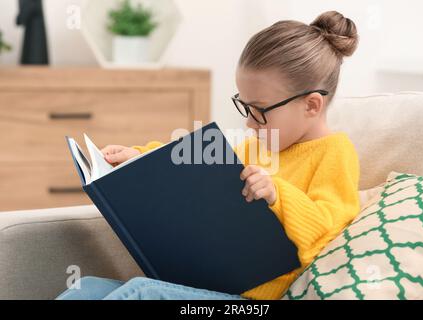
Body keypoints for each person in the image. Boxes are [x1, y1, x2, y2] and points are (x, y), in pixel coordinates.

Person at [57, 10, 361, 300]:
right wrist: (136, 157)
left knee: (140, 291)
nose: (249, 122)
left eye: (260, 111)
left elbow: (328, 231)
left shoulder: (335, 152)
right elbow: (193, 163)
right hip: (206, 284)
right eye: (245, 107)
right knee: (87, 289)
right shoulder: (256, 144)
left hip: (249, 297)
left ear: (311, 105)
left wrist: (277, 194)